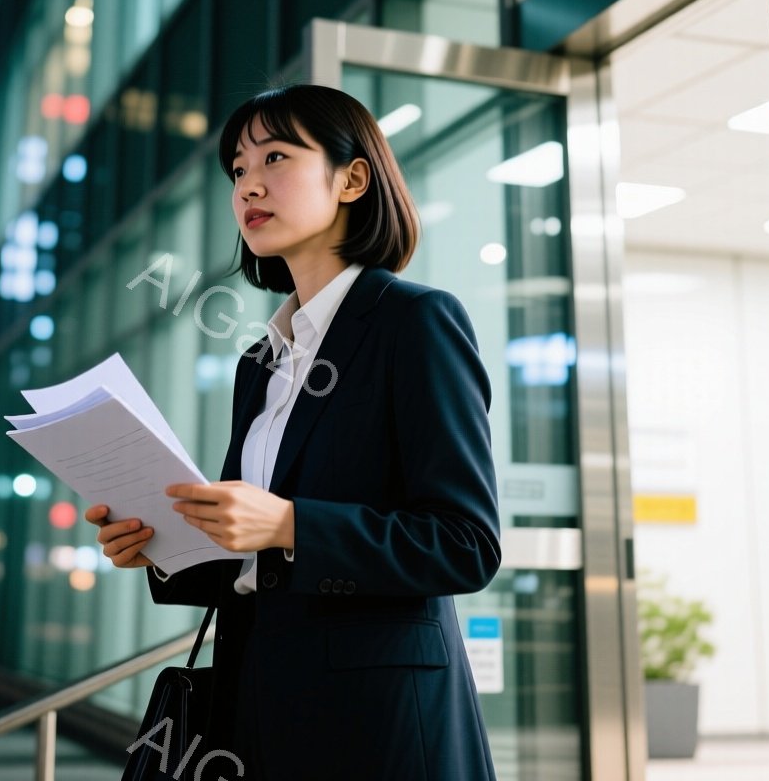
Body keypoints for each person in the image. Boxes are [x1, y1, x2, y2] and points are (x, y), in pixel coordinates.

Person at [87, 84, 501, 780]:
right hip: (260, 708)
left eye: (275, 157)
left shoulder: (414, 322)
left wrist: (289, 524)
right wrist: (163, 544)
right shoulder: (262, 360)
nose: (249, 183)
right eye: (238, 170)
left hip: (382, 724)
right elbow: (257, 559)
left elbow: (464, 544)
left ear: (352, 178)